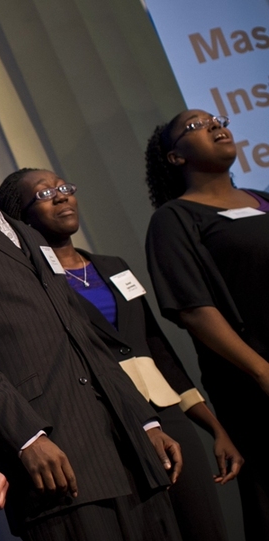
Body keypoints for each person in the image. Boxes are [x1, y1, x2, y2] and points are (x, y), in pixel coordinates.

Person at [0, 109, 184, 541]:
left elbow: (83, 334)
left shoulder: (28, 233)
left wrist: (144, 422)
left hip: (124, 447)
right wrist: (25, 437)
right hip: (54, 455)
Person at [0, 167, 243, 541]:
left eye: (64, 187)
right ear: (22, 217)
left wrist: (214, 427)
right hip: (107, 419)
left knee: (204, 525)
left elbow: (157, 348)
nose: (62, 196)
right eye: (46, 194)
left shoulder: (113, 267)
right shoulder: (35, 284)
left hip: (166, 413)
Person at [144, 110, 269, 540]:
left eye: (217, 118)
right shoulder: (174, 220)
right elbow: (193, 308)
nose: (216, 126)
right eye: (196, 126)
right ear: (175, 157)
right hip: (254, 385)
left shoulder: (263, 199)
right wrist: (261, 369)